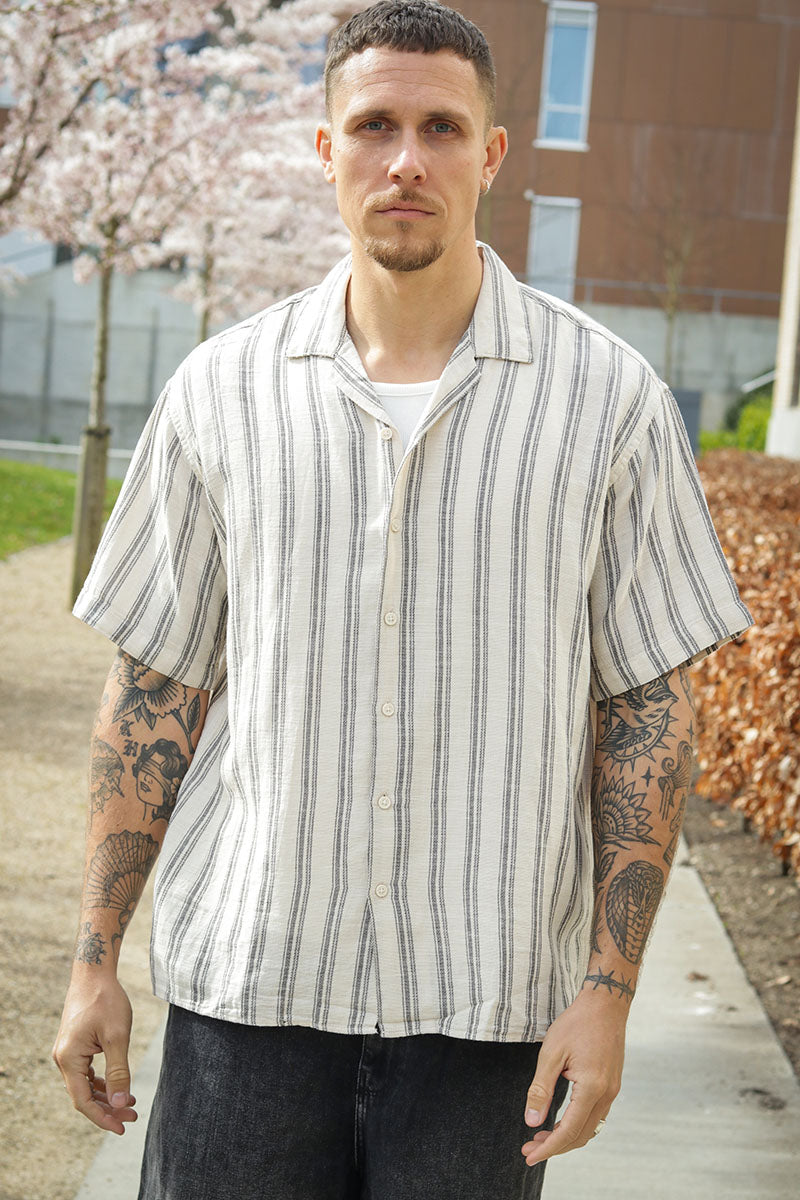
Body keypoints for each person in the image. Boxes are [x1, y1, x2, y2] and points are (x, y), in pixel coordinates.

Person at [53, 3, 753, 1197]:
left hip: (486, 1019)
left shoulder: (609, 402)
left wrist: (608, 991)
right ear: (325, 149)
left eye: (441, 128)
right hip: (249, 1001)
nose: (406, 161)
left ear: (490, 154)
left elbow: (646, 711)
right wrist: (93, 961)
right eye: (374, 125)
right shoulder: (220, 392)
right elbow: (153, 690)